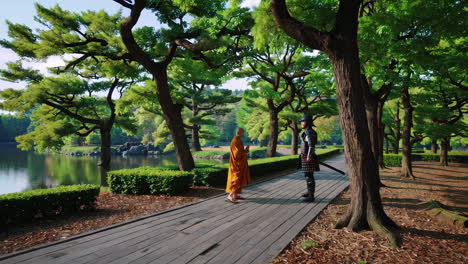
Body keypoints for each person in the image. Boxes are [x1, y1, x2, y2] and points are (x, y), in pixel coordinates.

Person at [226, 128, 251, 203]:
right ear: (239, 133)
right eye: (243, 132)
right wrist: (245, 153)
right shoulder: (235, 141)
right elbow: (236, 155)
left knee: (239, 178)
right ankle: (230, 195)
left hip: (239, 163)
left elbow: (240, 152)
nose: (244, 134)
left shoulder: (239, 140)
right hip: (236, 165)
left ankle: (235, 195)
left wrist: (245, 150)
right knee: (235, 178)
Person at [299, 115, 318, 202]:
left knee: (309, 176)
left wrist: (309, 156)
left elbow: (311, 146)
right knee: (308, 175)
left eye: (303, 121)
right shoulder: (308, 131)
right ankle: (309, 192)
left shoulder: (309, 132)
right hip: (306, 157)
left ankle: (311, 196)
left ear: (308, 122)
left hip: (308, 158)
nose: (301, 123)